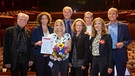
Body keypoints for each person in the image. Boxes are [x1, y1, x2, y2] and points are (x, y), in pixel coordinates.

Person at [107, 7, 132, 76]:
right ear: (108, 15)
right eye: (110, 14)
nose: (111, 15)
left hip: (120, 53)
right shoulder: (105, 27)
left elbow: (129, 39)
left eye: (113, 14)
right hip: (108, 55)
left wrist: (123, 43)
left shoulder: (124, 26)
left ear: (117, 15)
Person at [31, 12, 53, 76]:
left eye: (46, 18)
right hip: (39, 56)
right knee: (40, 73)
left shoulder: (51, 29)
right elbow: (31, 42)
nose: (44, 20)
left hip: (50, 56)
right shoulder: (36, 29)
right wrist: (37, 43)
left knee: (49, 73)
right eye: (42, 18)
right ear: (40, 20)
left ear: (48, 20)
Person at [83, 11, 93, 76]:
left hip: (93, 50)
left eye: (89, 17)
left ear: (92, 18)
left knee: (93, 69)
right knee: (84, 69)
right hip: (84, 51)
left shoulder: (95, 26)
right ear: (84, 18)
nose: (88, 19)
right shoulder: (82, 27)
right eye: (86, 17)